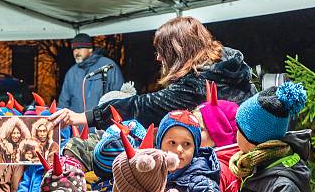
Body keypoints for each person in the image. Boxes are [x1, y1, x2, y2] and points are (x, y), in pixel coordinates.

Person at [50, 17, 256, 130]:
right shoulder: (233, 70)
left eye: (161, 51)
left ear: (176, 50)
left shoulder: (197, 84)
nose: (158, 58)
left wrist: (84, 117)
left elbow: (141, 106)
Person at [58, 33, 123, 113]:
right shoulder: (71, 72)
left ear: (90, 49)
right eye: (74, 49)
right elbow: (63, 102)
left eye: (79, 48)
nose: (76, 52)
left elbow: (119, 96)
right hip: (76, 124)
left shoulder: (108, 66)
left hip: (101, 123)